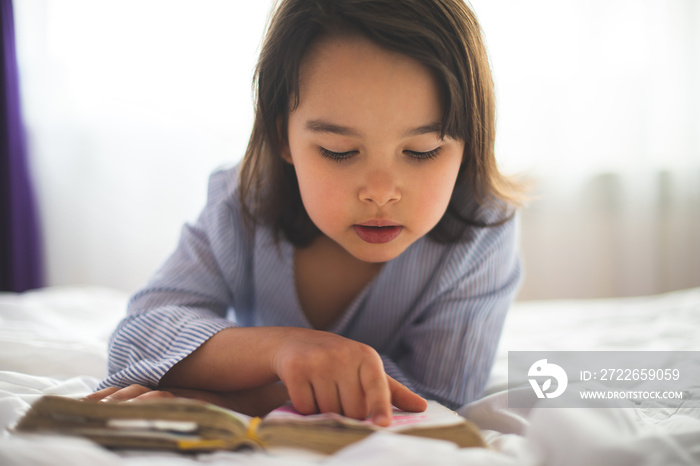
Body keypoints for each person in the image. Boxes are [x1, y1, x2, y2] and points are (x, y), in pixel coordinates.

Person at [87, 0, 524, 426]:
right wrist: (283, 348)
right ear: (283, 138)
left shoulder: (483, 226)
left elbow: (438, 395)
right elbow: (137, 338)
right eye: (340, 152)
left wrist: (235, 397)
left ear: (469, 142)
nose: (379, 193)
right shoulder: (241, 201)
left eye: (421, 151)